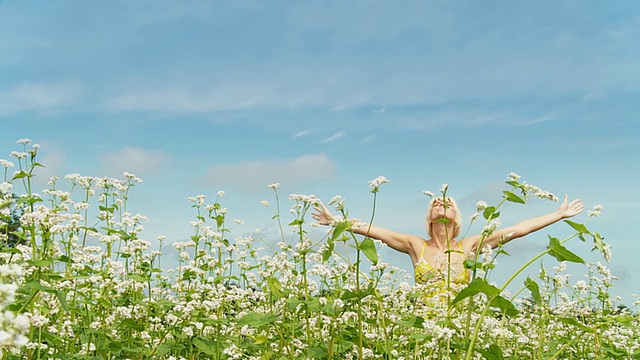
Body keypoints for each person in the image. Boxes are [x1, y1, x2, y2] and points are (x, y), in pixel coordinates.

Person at [312, 194, 584, 291]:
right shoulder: (415, 245)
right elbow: (373, 230)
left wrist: (558, 215)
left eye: (448, 203)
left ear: (456, 218)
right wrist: (336, 220)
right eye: (435, 203)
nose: (441, 203)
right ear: (429, 218)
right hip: (423, 328)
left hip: (459, 324)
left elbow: (518, 230)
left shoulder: (470, 245)